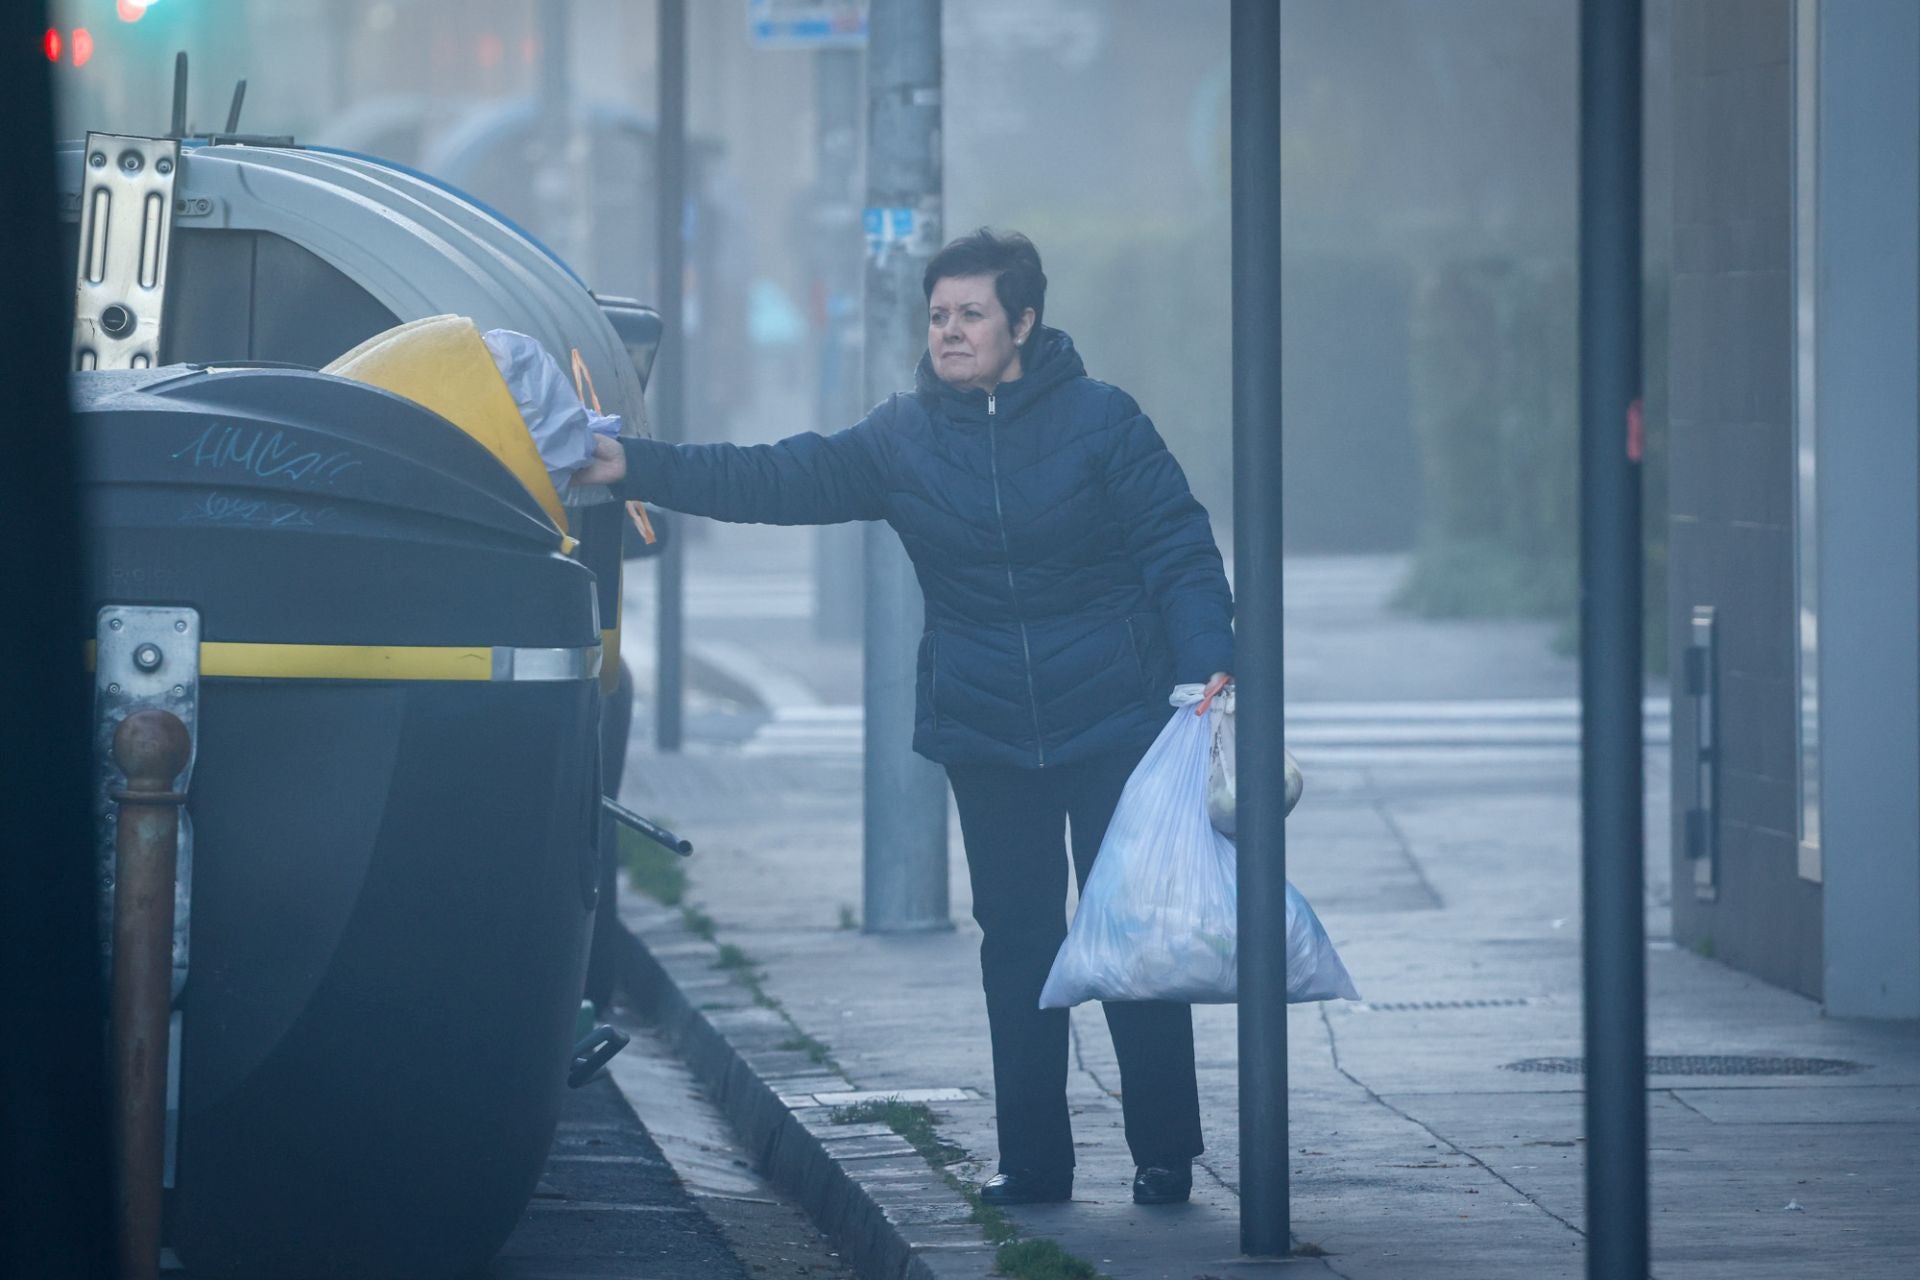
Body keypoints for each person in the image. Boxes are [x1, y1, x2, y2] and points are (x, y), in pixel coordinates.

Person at [577, 229, 1233, 1207]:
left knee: (1128, 929)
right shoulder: (902, 436)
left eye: (972, 314)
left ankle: (1166, 1150)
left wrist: (1204, 666)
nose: (951, 331)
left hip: (1113, 718)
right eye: (938, 315)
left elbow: (1179, 545)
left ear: (1024, 322)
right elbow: (772, 476)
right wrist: (630, 464)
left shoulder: (1103, 421)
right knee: (1016, 940)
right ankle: (1035, 1161)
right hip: (986, 729)